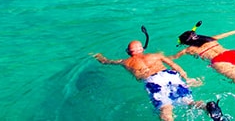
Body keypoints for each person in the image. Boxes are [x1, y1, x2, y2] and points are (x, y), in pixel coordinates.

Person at [92, 40, 224, 121]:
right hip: (170, 75)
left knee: (165, 108)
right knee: (188, 101)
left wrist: (98, 56)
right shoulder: (156, 55)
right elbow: (174, 65)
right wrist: (186, 77)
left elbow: (106, 62)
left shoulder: (125, 61)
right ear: (142, 49)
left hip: (153, 81)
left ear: (128, 51)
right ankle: (207, 107)